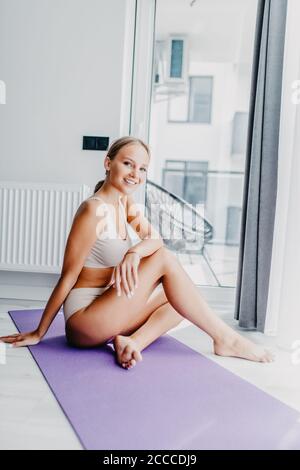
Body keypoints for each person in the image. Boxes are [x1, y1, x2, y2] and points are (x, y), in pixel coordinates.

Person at [0, 136, 274, 369]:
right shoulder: (93, 210)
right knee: (166, 260)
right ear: (108, 163)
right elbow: (68, 276)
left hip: (108, 308)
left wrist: (134, 252)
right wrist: (39, 332)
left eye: (142, 169)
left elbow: (154, 238)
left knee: (179, 299)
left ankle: (133, 342)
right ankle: (226, 338)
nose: (135, 174)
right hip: (84, 320)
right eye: (128, 163)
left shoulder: (124, 204)